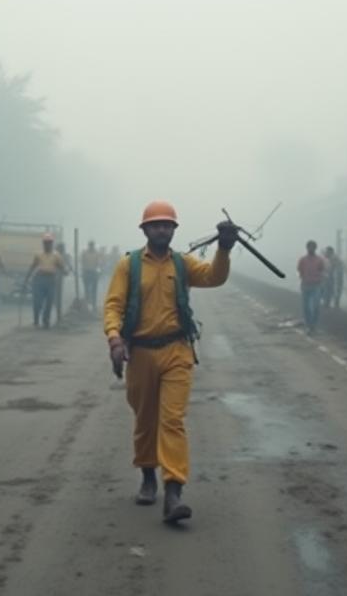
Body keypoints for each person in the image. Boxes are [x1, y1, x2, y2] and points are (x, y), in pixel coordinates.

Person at [104, 200, 237, 524]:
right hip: (141, 354)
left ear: (174, 230)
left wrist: (224, 248)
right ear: (145, 229)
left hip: (176, 351)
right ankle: (148, 477)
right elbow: (113, 305)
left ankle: (173, 491)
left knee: (173, 420)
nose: (162, 229)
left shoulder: (183, 264)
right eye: (156, 224)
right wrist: (115, 339)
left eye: (167, 225)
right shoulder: (129, 266)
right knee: (145, 419)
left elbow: (214, 278)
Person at [24, 233, 65, 329]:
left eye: (49, 243)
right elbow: (33, 266)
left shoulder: (56, 255)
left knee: (49, 301)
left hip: (51, 280)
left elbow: (61, 267)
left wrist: (64, 271)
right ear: (43, 243)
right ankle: (36, 320)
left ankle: (46, 321)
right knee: (37, 301)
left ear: (52, 243)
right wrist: (27, 278)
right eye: (46, 243)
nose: (47, 245)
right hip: (39, 279)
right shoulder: (38, 254)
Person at [297, 240, 327, 333]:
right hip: (306, 285)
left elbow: (322, 271)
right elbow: (299, 270)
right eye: (309, 247)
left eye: (313, 247)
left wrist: (321, 282)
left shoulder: (319, 260)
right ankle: (309, 325)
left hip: (316, 285)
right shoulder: (302, 260)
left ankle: (313, 325)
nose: (311, 249)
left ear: (315, 248)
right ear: (307, 248)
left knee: (315, 306)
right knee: (306, 307)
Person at [82, 239, 102, 311]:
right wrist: (83, 272)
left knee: (94, 290)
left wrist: (98, 272)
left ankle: (94, 305)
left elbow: (99, 264)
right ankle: (87, 305)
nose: (91, 247)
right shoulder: (84, 253)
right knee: (86, 290)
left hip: (94, 273)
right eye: (90, 245)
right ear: (88, 246)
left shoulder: (97, 253)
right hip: (86, 272)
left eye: (92, 245)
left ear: (93, 246)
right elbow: (82, 262)